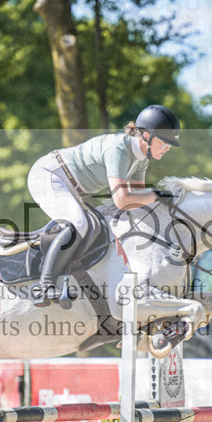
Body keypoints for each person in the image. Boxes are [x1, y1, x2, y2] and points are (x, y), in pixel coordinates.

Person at [26, 104, 181, 306]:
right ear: (146, 136)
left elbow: (135, 202)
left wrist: (162, 206)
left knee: (96, 225)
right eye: (164, 142)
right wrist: (155, 195)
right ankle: (44, 286)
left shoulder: (141, 160)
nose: (168, 148)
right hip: (48, 175)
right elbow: (122, 200)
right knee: (78, 224)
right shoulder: (118, 149)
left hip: (70, 186)